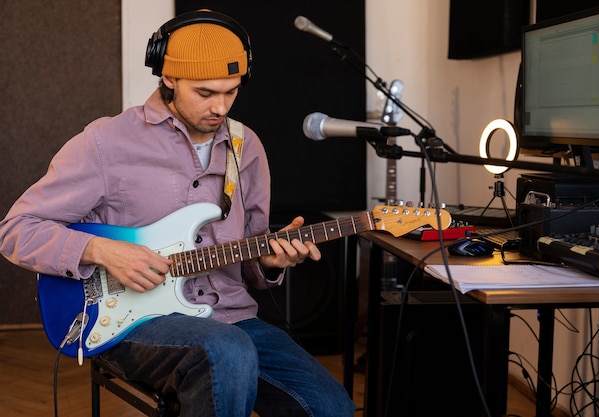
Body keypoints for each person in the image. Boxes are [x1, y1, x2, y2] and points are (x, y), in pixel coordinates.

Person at [0, 9, 356, 417]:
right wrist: (101, 251)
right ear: (168, 78)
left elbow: (255, 257)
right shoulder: (105, 142)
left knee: (332, 408)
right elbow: (16, 230)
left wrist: (272, 260)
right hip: (130, 322)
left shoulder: (246, 146)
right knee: (225, 351)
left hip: (232, 317)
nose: (220, 107)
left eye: (232, 91)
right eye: (205, 93)